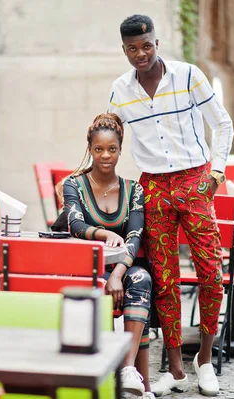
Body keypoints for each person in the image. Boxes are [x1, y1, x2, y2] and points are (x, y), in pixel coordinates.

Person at [106, 15, 234, 397]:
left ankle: (205, 360)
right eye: (132, 48)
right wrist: (96, 182)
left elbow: (222, 124)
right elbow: (107, 136)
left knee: (212, 272)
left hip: (195, 181)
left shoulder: (188, 75)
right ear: (124, 49)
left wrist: (217, 175)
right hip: (154, 190)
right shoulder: (120, 89)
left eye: (146, 46)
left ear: (156, 42)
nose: (140, 54)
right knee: (165, 282)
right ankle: (176, 369)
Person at [59, 113, 153, 399]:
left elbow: (135, 237)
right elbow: (75, 225)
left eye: (112, 149)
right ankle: (91, 372)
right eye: (99, 149)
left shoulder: (133, 189)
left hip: (120, 270)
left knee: (142, 278)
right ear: (90, 148)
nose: (105, 156)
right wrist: (104, 233)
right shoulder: (74, 184)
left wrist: (115, 275)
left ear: (121, 149)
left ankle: (127, 372)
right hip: (83, 269)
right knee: (104, 283)